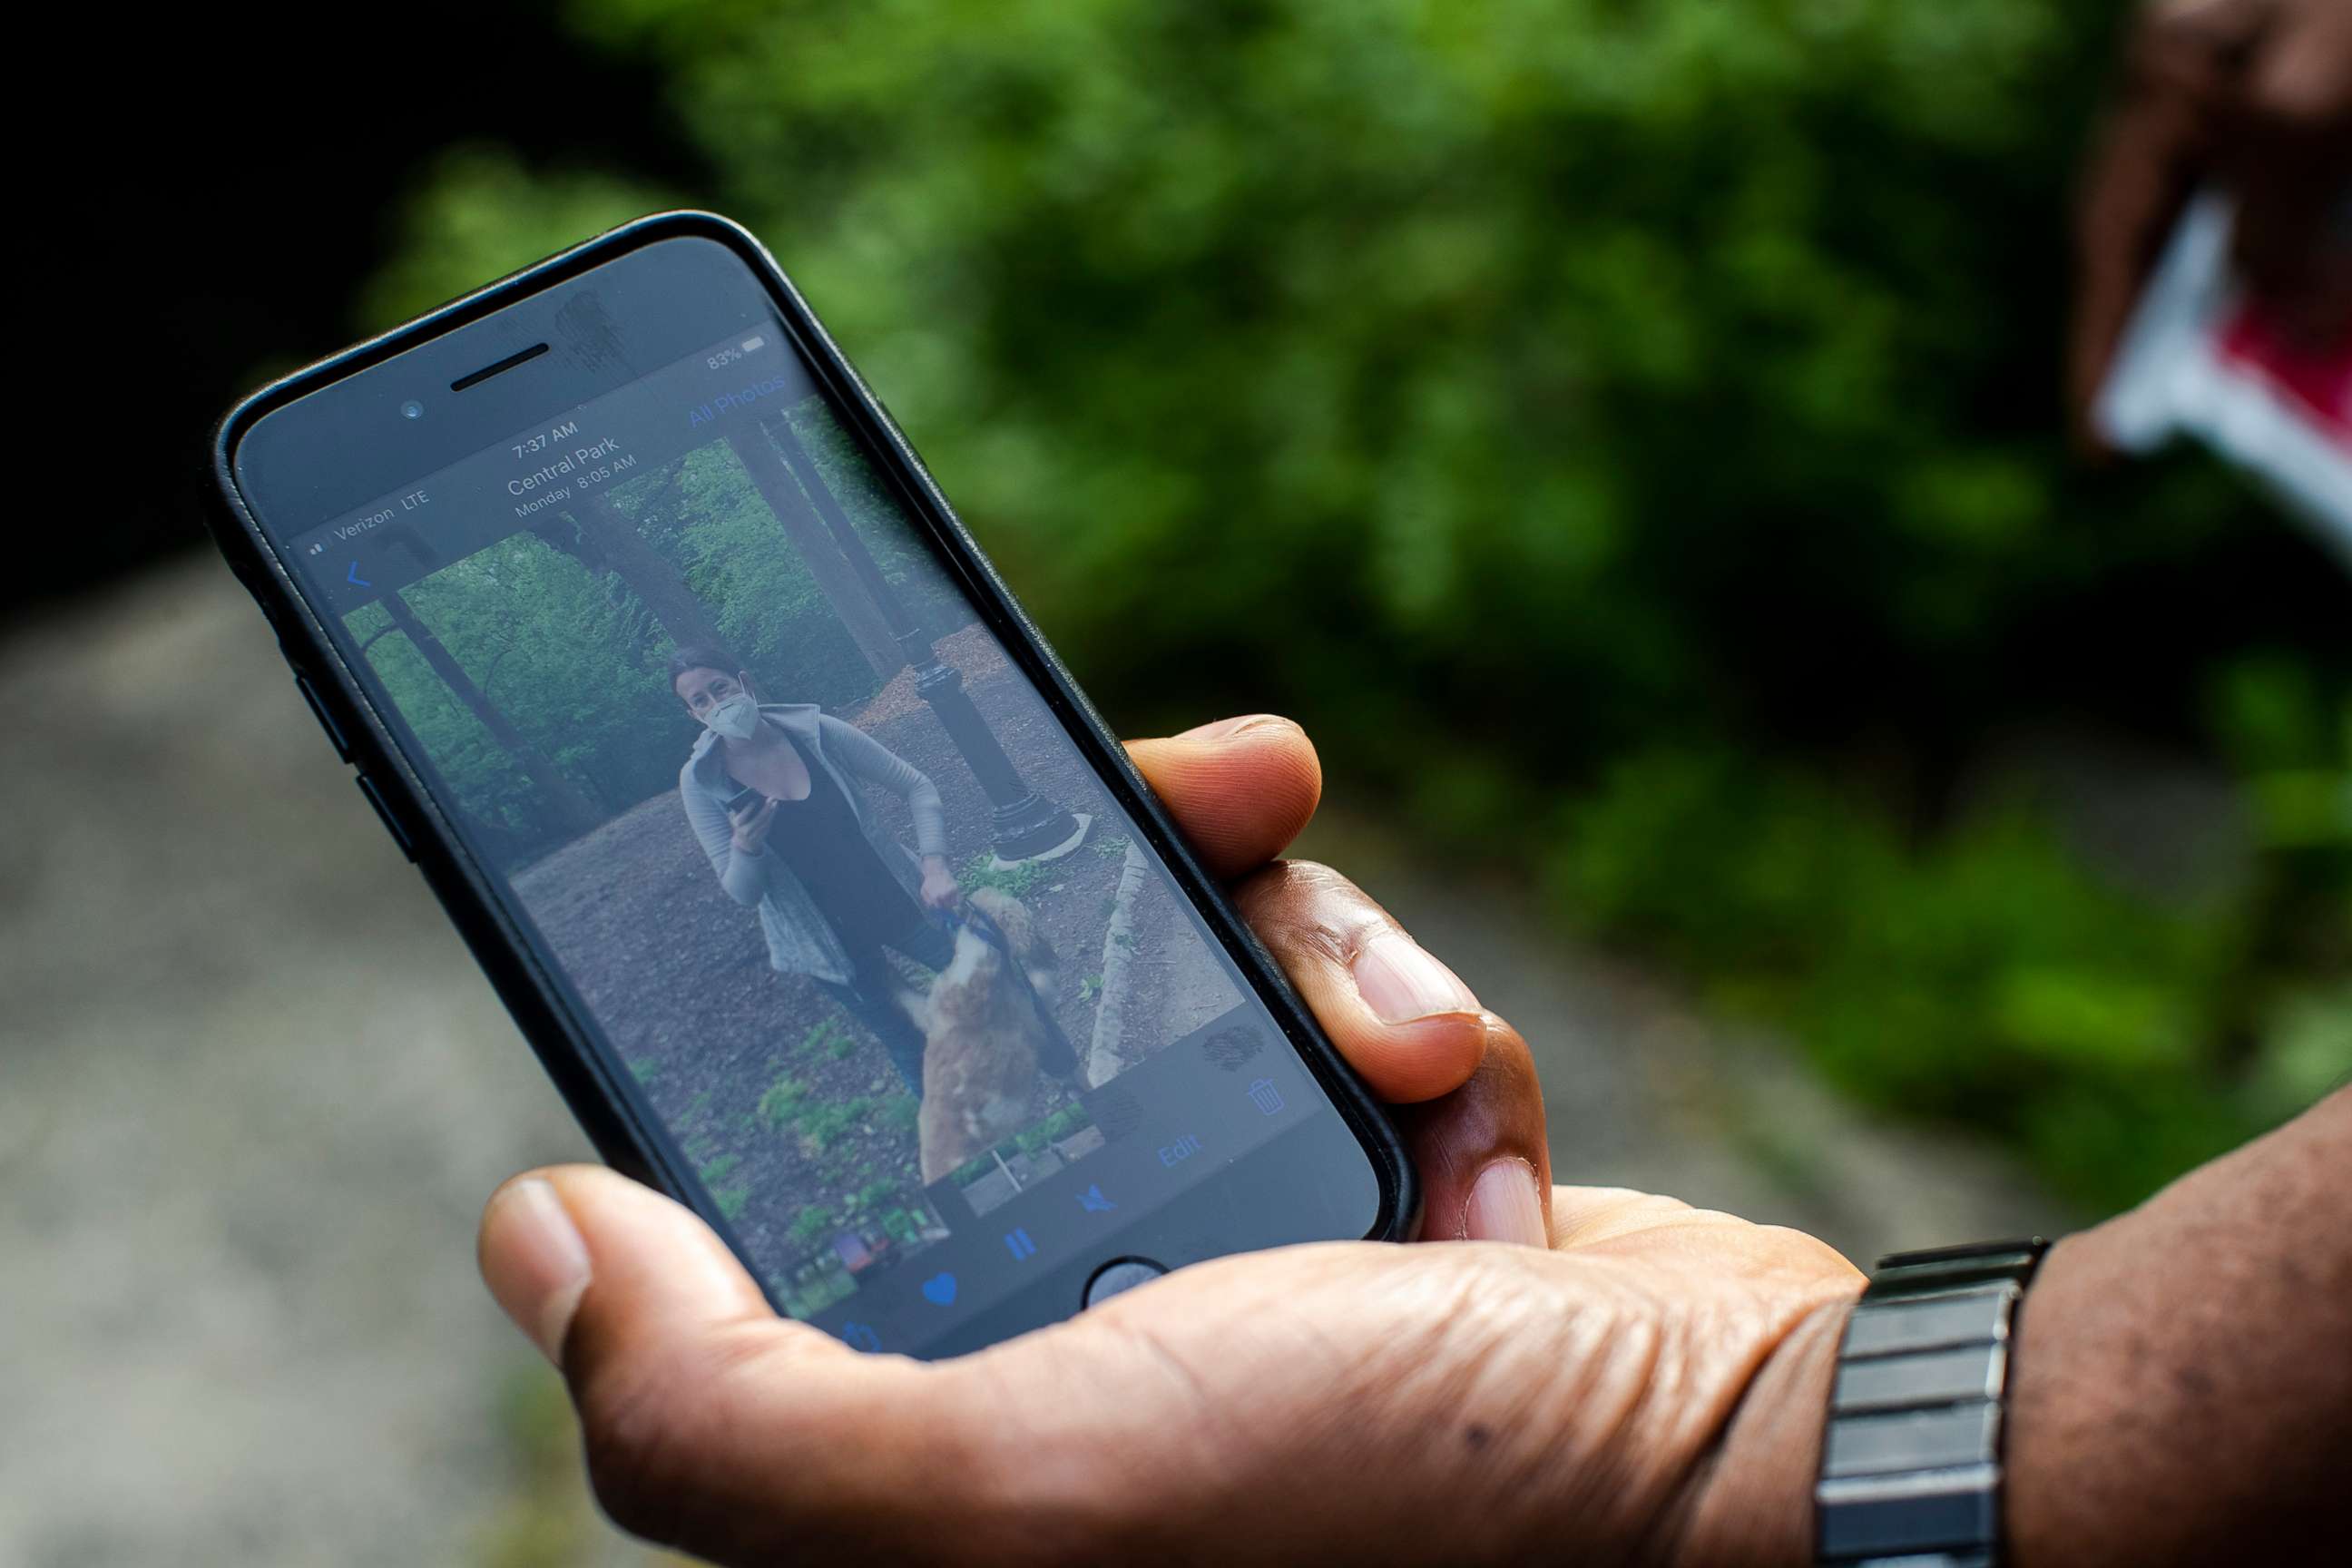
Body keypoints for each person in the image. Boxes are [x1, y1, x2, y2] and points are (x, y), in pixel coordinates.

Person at [485, 713, 2345, 1566]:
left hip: (923, 894)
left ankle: (1050, 1081)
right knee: (954, 1035)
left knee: (1051, 976)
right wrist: (1736, 1441)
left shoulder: (827, 739)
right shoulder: (718, 800)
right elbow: (753, 907)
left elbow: (895, 793)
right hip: (860, 962)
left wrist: (1717, 1454)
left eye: (734, 717)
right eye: (709, 734)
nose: (730, 736)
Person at [671, 645, 962, 1093]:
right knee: (908, 1045)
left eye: (720, 688)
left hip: (901, 901)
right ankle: (967, 1149)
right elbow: (742, 893)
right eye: (700, 701)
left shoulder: (818, 733)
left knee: (993, 982)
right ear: (693, 715)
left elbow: (916, 786)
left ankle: (1060, 1076)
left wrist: (934, 866)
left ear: (744, 682)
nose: (716, 705)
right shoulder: (702, 780)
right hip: (826, 942)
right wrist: (746, 846)